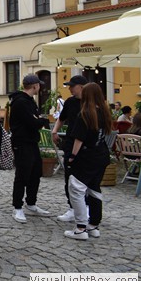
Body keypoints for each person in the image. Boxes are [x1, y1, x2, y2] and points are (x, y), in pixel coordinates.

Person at [64, 83, 112, 240]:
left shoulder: (85, 114)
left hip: (86, 157)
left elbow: (79, 139)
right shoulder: (104, 113)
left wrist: (72, 156)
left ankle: (80, 228)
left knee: (76, 189)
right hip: (101, 155)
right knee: (94, 189)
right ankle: (94, 225)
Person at [9, 74, 51, 223]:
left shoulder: (30, 101)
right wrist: (42, 121)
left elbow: (35, 119)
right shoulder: (21, 102)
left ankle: (31, 203)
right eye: (39, 85)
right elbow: (32, 122)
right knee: (22, 174)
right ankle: (17, 207)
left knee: (35, 172)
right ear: (35, 86)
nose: (40, 87)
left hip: (32, 141)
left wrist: (38, 120)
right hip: (22, 142)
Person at [52, 75, 88, 222]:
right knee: (69, 176)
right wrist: (55, 131)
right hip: (71, 142)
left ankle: (86, 208)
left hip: (87, 145)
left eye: (72, 86)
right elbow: (62, 118)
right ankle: (72, 208)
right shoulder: (70, 102)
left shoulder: (91, 102)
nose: (70, 88)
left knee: (85, 177)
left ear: (81, 87)